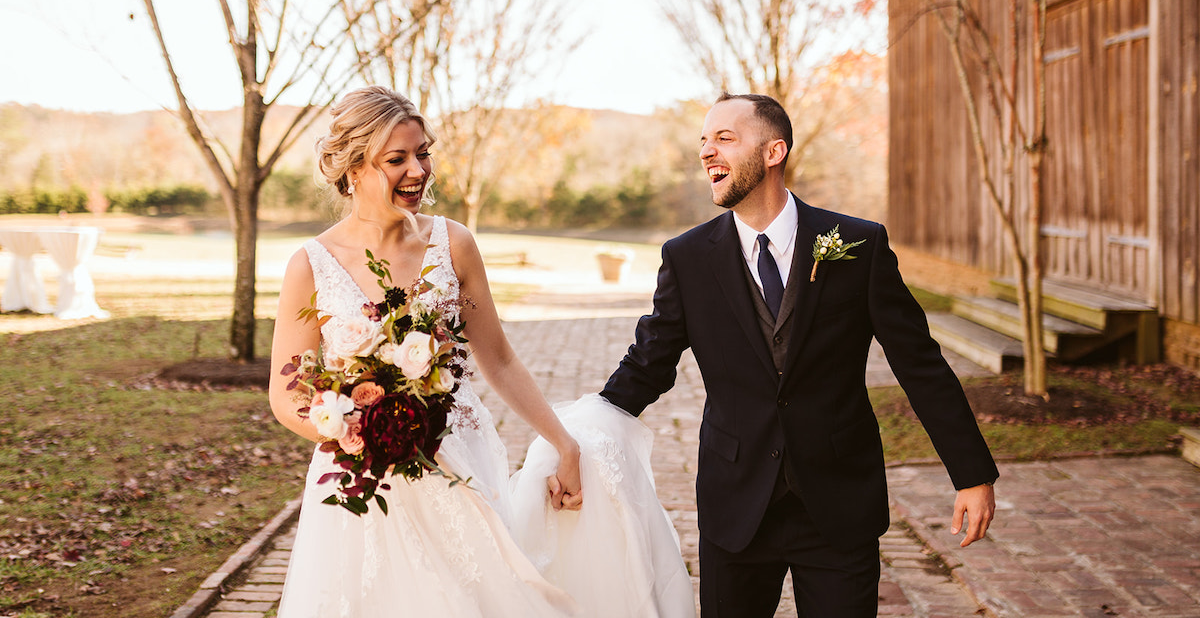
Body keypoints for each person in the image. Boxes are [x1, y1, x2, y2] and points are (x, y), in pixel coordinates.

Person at [269, 86, 694, 617]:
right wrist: (357, 433)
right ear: (354, 169)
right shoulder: (310, 265)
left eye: (423, 152)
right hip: (364, 480)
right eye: (396, 159)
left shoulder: (454, 243)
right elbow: (289, 397)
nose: (418, 170)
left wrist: (563, 444)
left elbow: (499, 359)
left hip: (459, 460)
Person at [600, 93, 999, 618]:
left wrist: (972, 473)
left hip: (838, 504)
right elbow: (647, 365)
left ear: (773, 152)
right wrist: (583, 434)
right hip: (736, 506)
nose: (705, 152)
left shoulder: (858, 245)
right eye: (703, 140)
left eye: (724, 138)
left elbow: (919, 363)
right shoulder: (688, 258)